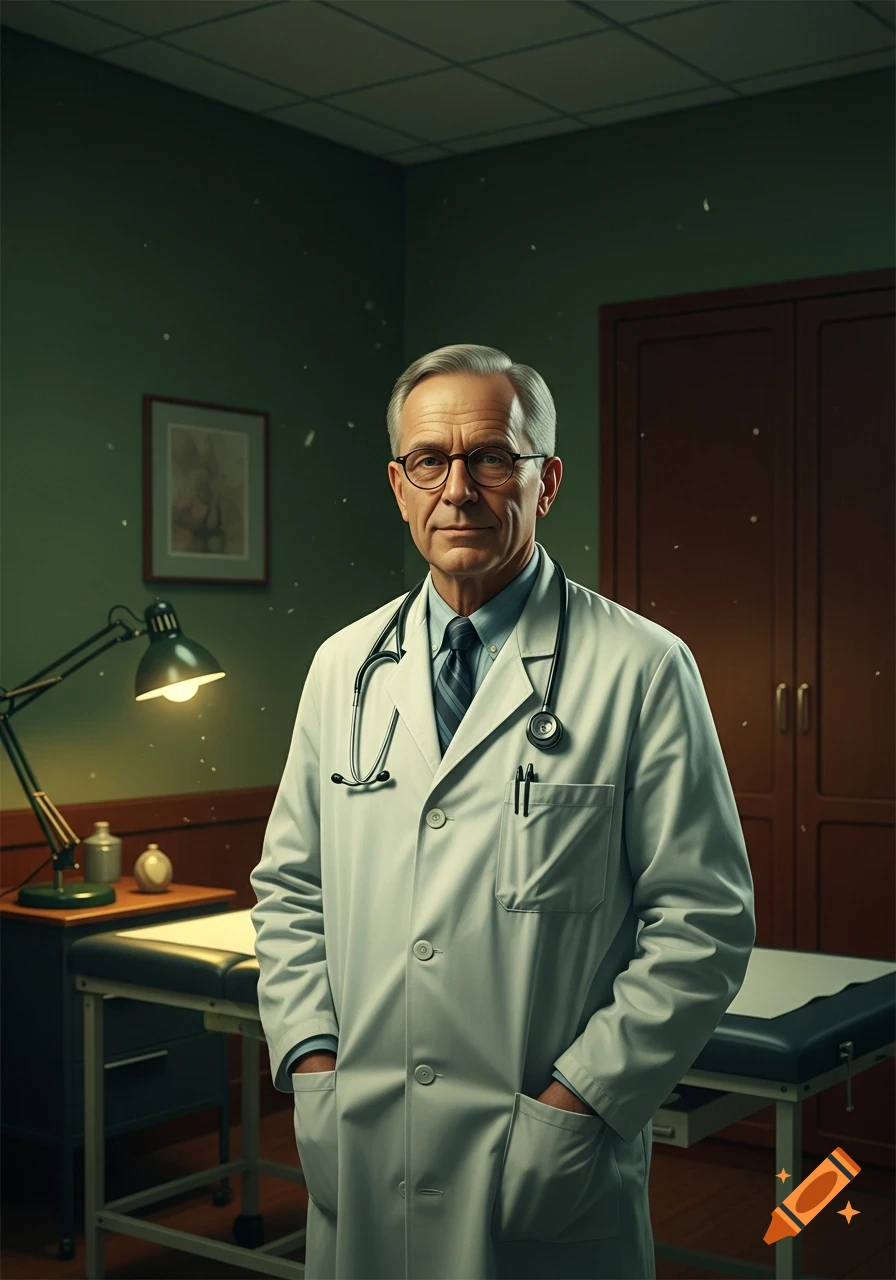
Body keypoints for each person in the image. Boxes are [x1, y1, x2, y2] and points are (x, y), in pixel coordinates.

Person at [250, 343, 756, 1280]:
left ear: (546, 480)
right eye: (429, 462)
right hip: (362, 1139)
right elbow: (289, 891)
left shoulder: (641, 669)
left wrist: (580, 1101)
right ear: (399, 486)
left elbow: (703, 921)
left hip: (543, 1152)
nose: (458, 490)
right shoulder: (342, 671)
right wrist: (314, 1065)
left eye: (491, 457)